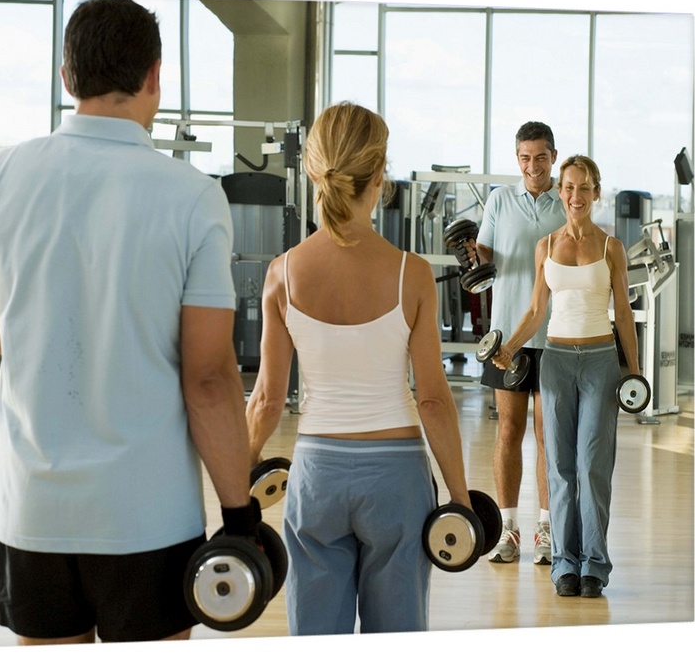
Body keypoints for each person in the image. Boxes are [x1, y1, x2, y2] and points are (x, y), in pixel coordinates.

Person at [0, 0, 257, 645]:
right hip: (146, 519)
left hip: (34, 512)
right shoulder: (191, 195)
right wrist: (239, 511)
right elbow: (208, 379)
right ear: (155, 76)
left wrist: (48, 325)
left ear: (68, 77)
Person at [246, 101, 472, 634]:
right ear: (379, 178)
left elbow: (266, 401)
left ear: (314, 172)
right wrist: (461, 499)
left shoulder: (283, 274)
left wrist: (238, 487)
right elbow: (433, 400)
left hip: (316, 478)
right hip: (396, 481)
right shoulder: (411, 275)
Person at [491, 155, 640, 598]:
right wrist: (511, 347)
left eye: (585, 188)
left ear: (597, 192)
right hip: (555, 360)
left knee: (593, 466)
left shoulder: (611, 247)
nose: (576, 196)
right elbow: (537, 310)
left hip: (599, 361)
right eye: (569, 187)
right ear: (562, 191)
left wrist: (633, 372)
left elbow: (625, 315)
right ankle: (564, 564)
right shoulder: (547, 245)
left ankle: (594, 563)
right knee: (559, 466)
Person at [476, 121, 566, 564]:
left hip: (554, 336)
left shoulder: (566, 202)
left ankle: (546, 533)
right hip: (505, 336)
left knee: (548, 436)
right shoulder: (498, 200)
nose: (533, 166)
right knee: (508, 430)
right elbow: (485, 254)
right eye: (525, 158)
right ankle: (508, 531)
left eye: (541, 157)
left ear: (553, 156)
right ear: (517, 159)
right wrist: (473, 255)